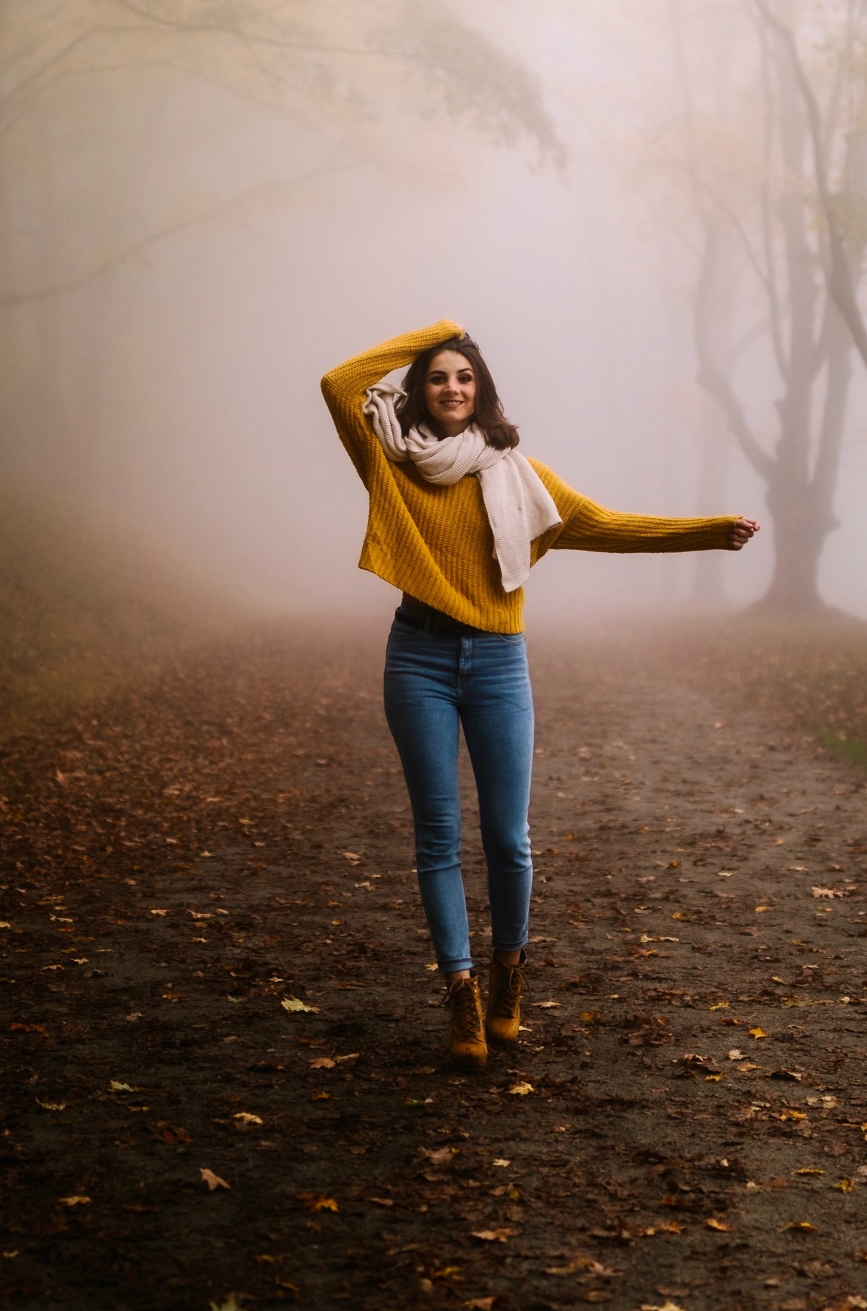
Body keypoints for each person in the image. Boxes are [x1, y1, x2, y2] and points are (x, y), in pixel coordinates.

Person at [321, 320, 759, 1071]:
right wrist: (442, 330)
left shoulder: (517, 476)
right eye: (436, 377)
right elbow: (339, 382)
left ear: (483, 390)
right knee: (437, 836)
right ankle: (458, 988)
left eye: (464, 375)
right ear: (418, 390)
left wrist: (711, 531)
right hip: (417, 656)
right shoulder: (389, 459)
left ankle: (507, 971)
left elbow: (607, 524)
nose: (452, 387)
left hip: (497, 662)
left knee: (508, 837)